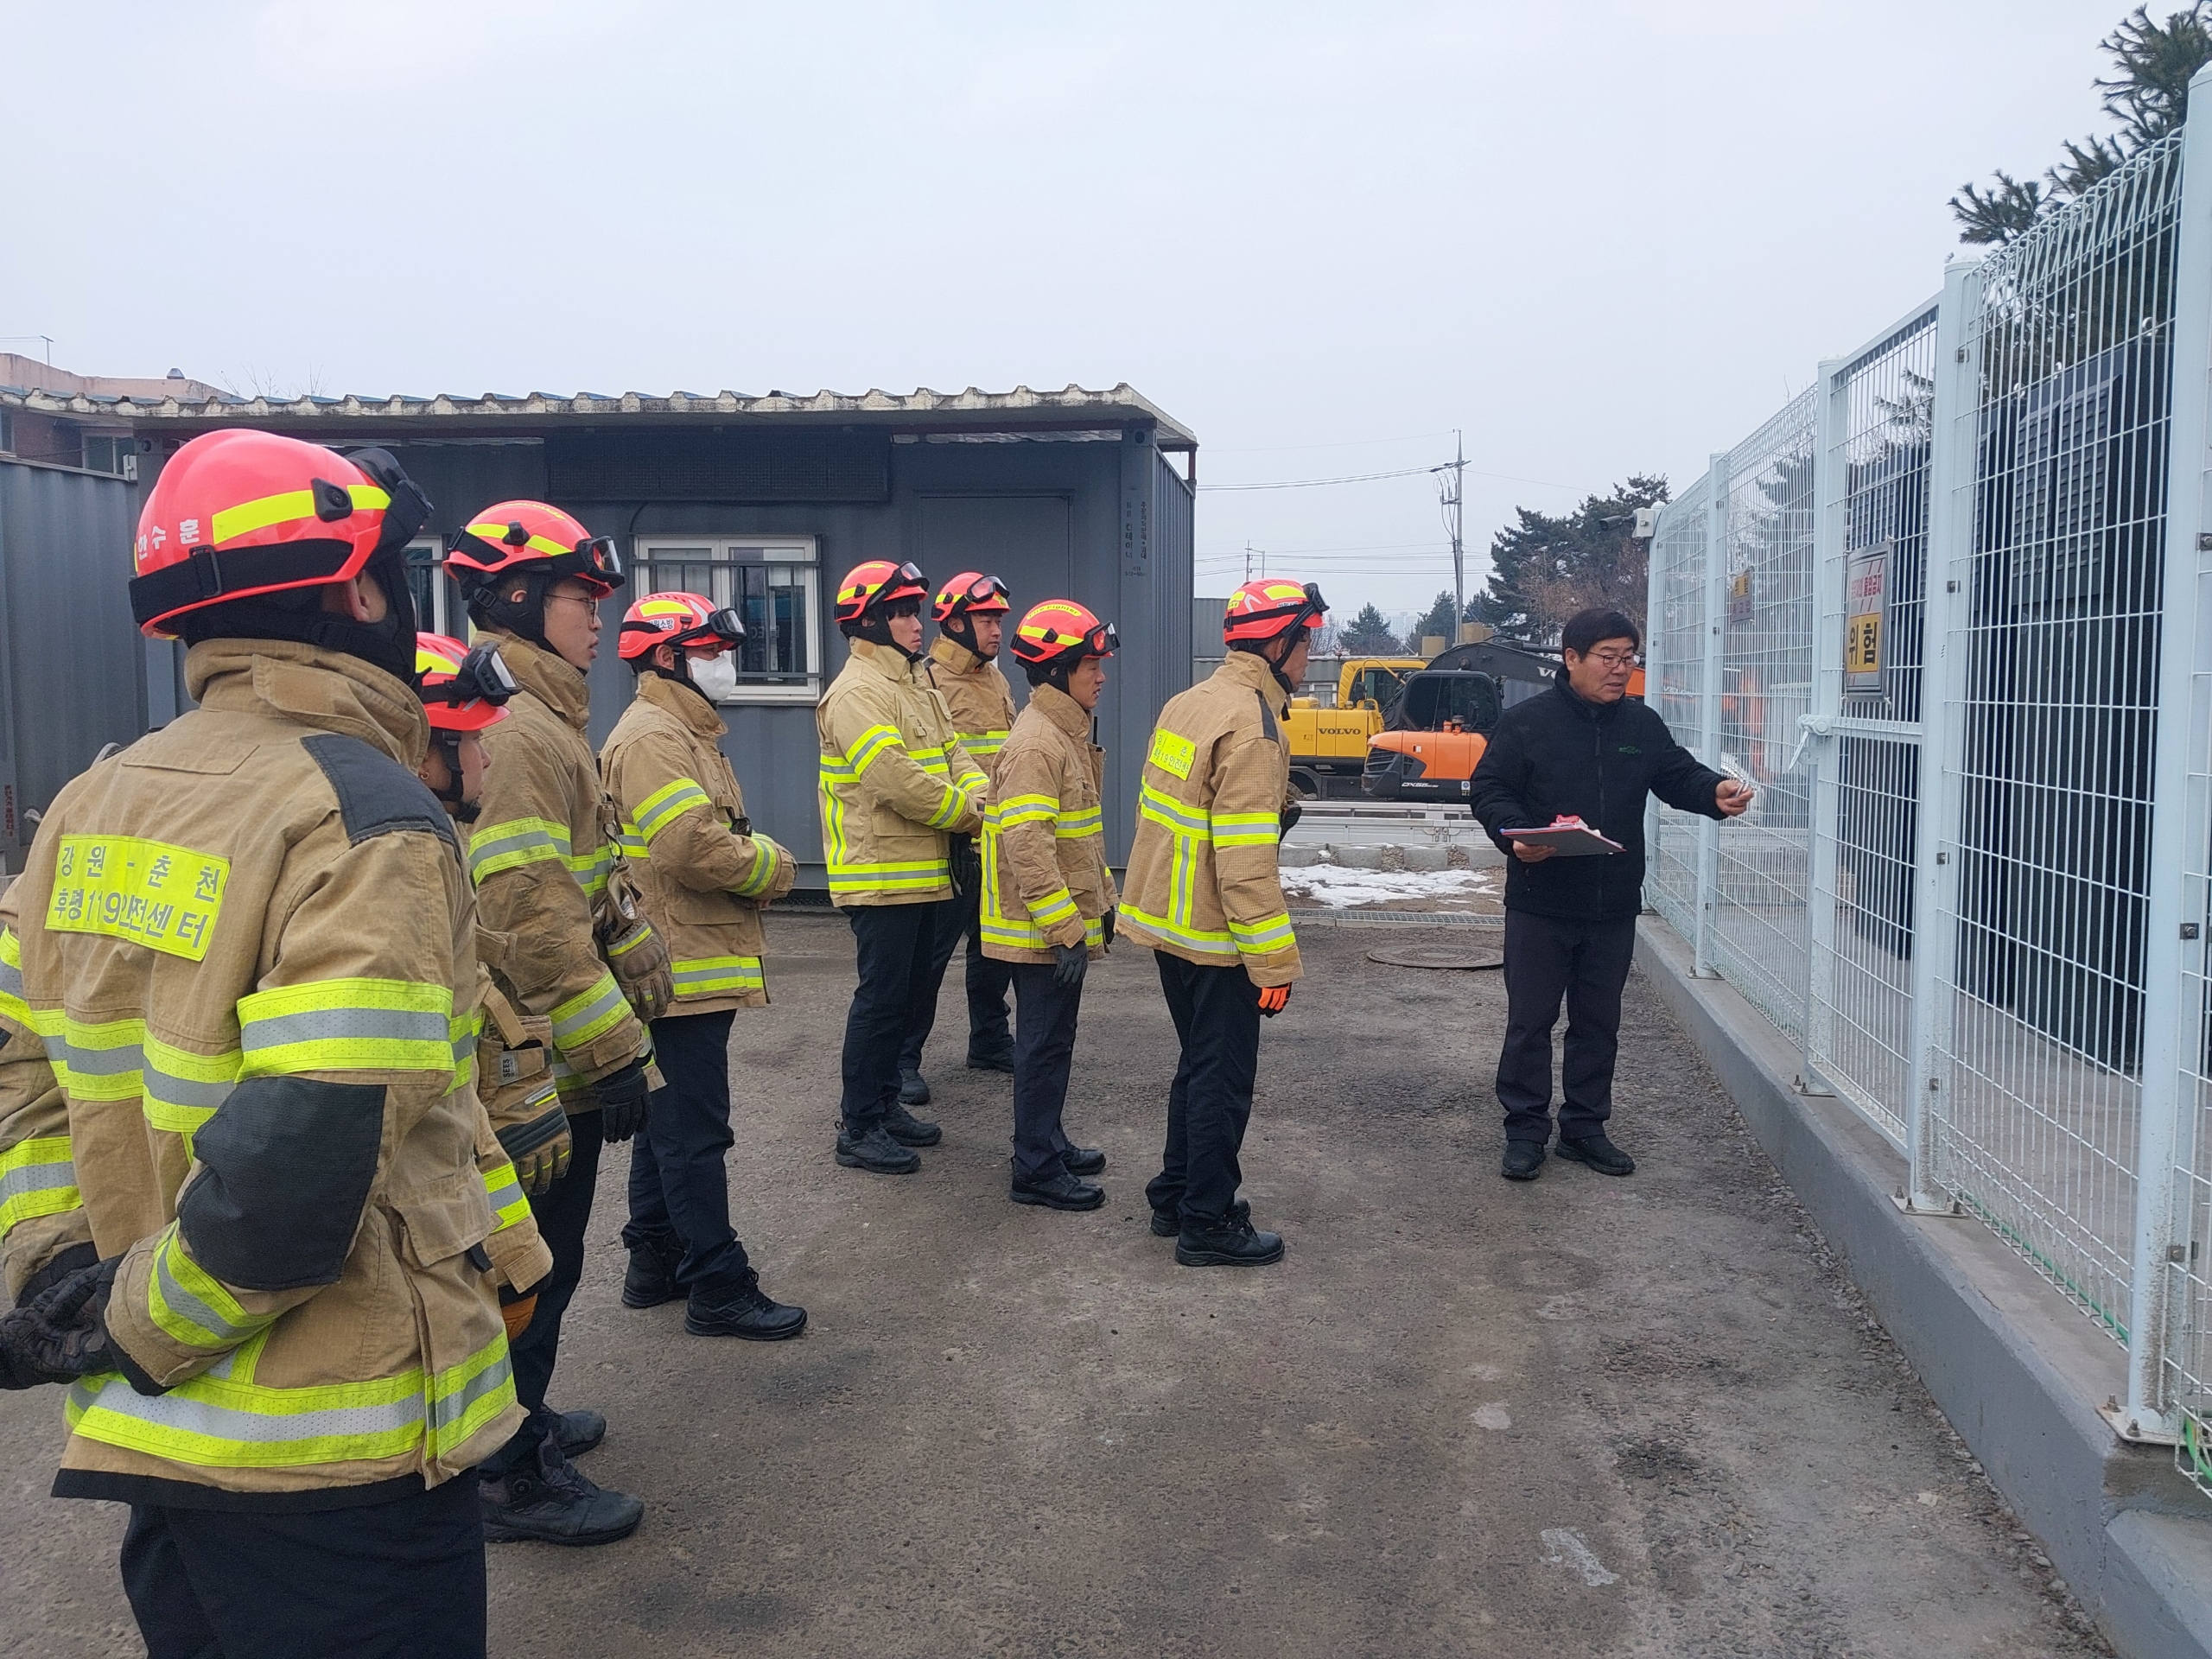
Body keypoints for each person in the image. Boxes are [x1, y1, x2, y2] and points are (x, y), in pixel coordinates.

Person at [0, 430, 525, 1659]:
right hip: (334, 1464)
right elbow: (304, 1162)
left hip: (156, 1443)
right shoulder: (364, 815)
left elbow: (23, 1070)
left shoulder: (92, 799)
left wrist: (56, 1270)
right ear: (359, 593)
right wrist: (143, 1319)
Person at [443, 500, 673, 1545]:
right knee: (533, 1263)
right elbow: (529, 913)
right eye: (583, 597)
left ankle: (519, 1420)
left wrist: (626, 932)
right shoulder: (522, 729)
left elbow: (577, 879)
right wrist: (612, 1047)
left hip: (543, 1044)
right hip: (531, 1059)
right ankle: (506, 1473)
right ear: (518, 597)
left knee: (551, 1255)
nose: (599, 618)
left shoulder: (543, 716)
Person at [1468, 606, 1752, 1184]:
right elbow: (1489, 789)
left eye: (1628, 658)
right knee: (1530, 1023)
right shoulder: (1527, 723)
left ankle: (1584, 1128)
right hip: (1541, 901)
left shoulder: (1639, 725)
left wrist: (1713, 791)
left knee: (1598, 1025)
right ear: (1571, 659)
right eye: (1609, 658)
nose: (1621, 669)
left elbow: (1676, 774)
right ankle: (1525, 1130)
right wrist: (1513, 836)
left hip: (1612, 905)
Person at [601, 592, 805, 1341]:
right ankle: (718, 1285)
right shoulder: (655, 737)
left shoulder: (681, 730)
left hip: (686, 959)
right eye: (713, 651)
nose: (725, 664)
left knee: (668, 1124)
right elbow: (690, 847)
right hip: (678, 965)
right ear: (667, 656)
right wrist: (775, 867)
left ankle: (653, 1260)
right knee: (694, 1134)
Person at [1120, 577, 1325, 1268]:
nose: (1309, 656)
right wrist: (1273, 964)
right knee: (1222, 1081)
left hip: (1169, 925)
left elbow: (1171, 809)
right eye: (1306, 642)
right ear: (1278, 645)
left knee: (1198, 1066)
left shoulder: (1189, 703)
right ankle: (1206, 1223)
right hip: (1218, 938)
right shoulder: (1255, 729)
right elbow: (1244, 866)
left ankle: (1175, 1195)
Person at [816, 560, 988, 1175]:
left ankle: (884, 1106)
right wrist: (969, 814)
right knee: (881, 1003)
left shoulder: (914, 682)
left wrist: (979, 793)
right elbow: (894, 778)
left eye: (915, 611)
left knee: (909, 999)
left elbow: (954, 752)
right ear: (869, 621)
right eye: (903, 613)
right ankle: (858, 1125)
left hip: (923, 872)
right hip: (880, 876)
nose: (918, 624)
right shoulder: (857, 692)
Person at [981, 600, 1120, 1211]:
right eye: (1091, 665)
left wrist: (1104, 903)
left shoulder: (1063, 733)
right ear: (1059, 670)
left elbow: (1081, 840)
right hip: (1040, 932)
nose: (1101, 676)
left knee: (1055, 1041)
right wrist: (1066, 929)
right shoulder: (1039, 745)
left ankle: (1048, 1141)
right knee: (1040, 1047)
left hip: (1057, 927)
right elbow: (1028, 848)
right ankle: (1035, 1168)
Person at [899, 571, 1020, 1104]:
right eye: (986, 620)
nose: (996, 630)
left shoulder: (995, 679)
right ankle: (903, 1060)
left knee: (993, 950)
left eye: (998, 620)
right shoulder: (926, 679)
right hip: (953, 841)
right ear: (953, 623)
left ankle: (989, 1040)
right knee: (928, 960)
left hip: (993, 838)